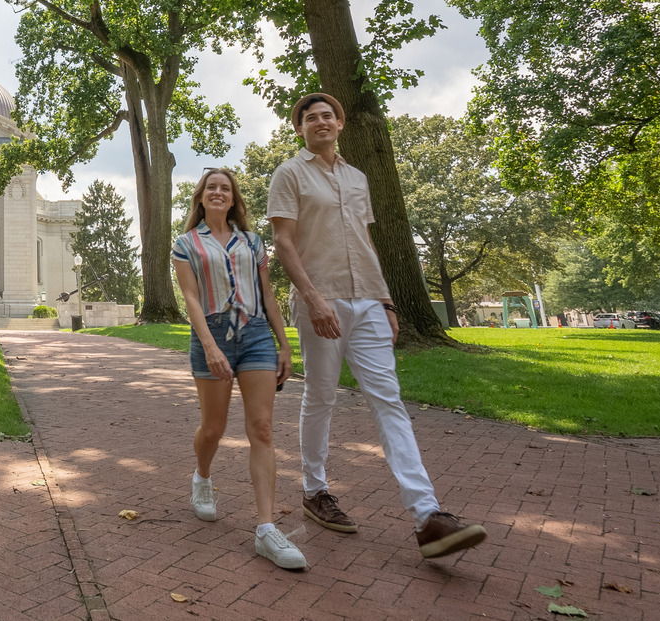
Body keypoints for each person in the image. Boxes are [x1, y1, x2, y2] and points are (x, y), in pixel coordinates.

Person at [267, 92, 488, 560]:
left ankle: (427, 516)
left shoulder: (358, 178)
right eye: (311, 118)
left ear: (341, 123)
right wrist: (312, 298)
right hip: (319, 301)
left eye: (328, 115)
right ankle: (315, 490)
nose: (321, 122)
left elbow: (365, 240)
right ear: (299, 128)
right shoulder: (290, 173)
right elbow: (283, 243)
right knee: (321, 396)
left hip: (367, 301)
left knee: (388, 398)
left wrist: (387, 302)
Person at [171, 167, 306, 571]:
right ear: (200, 196)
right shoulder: (186, 243)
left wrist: (285, 345)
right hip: (212, 333)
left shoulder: (252, 241)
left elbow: (267, 294)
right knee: (213, 427)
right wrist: (211, 347)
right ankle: (203, 477)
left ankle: (266, 528)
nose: (218, 192)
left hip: (256, 334)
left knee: (262, 428)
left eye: (225, 188)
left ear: (233, 199)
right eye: (211, 187)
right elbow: (191, 298)